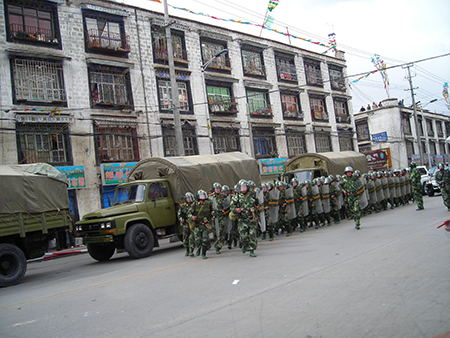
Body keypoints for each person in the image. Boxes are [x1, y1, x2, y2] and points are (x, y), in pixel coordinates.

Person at [230, 180, 258, 257]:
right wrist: (236, 210)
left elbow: (257, 203)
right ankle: (244, 244)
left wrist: (256, 208)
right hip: (242, 219)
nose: (243, 189)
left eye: (244, 187)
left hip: (251, 218)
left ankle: (252, 250)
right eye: (241, 187)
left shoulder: (252, 194)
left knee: (252, 235)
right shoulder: (237, 196)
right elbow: (232, 207)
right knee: (243, 236)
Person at [189, 190, 213, 259]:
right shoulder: (195, 204)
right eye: (201, 196)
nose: (203, 197)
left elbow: (213, 211)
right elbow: (189, 213)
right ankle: (199, 248)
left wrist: (213, 213)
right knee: (197, 240)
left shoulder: (208, 203)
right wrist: (192, 217)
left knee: (205, 240)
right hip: (198, 225)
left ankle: (204, 253)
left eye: (203, 195)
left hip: (205, 225)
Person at [209, 182, 226, 254]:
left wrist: (224, 209)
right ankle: (217, 244)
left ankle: (218, 246)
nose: (218, 190)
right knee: (215, 232)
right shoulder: (210, 197)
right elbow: (207, 207)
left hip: (221, 216)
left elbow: (227, 205)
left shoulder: (223, 196)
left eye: (219, 188)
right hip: (214, 217)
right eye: (216, 188)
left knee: (221, 231)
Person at [178, 192, 195, 257]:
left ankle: (191, 251)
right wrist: (181, 219)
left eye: (190, 198)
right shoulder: (183, 207)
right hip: (186, 224)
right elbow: (179, 215)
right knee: (185, 238)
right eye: (187, 199)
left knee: (191, 237)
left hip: (192, 223)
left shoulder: (194, 205)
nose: (189, 200)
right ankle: (187, 250)